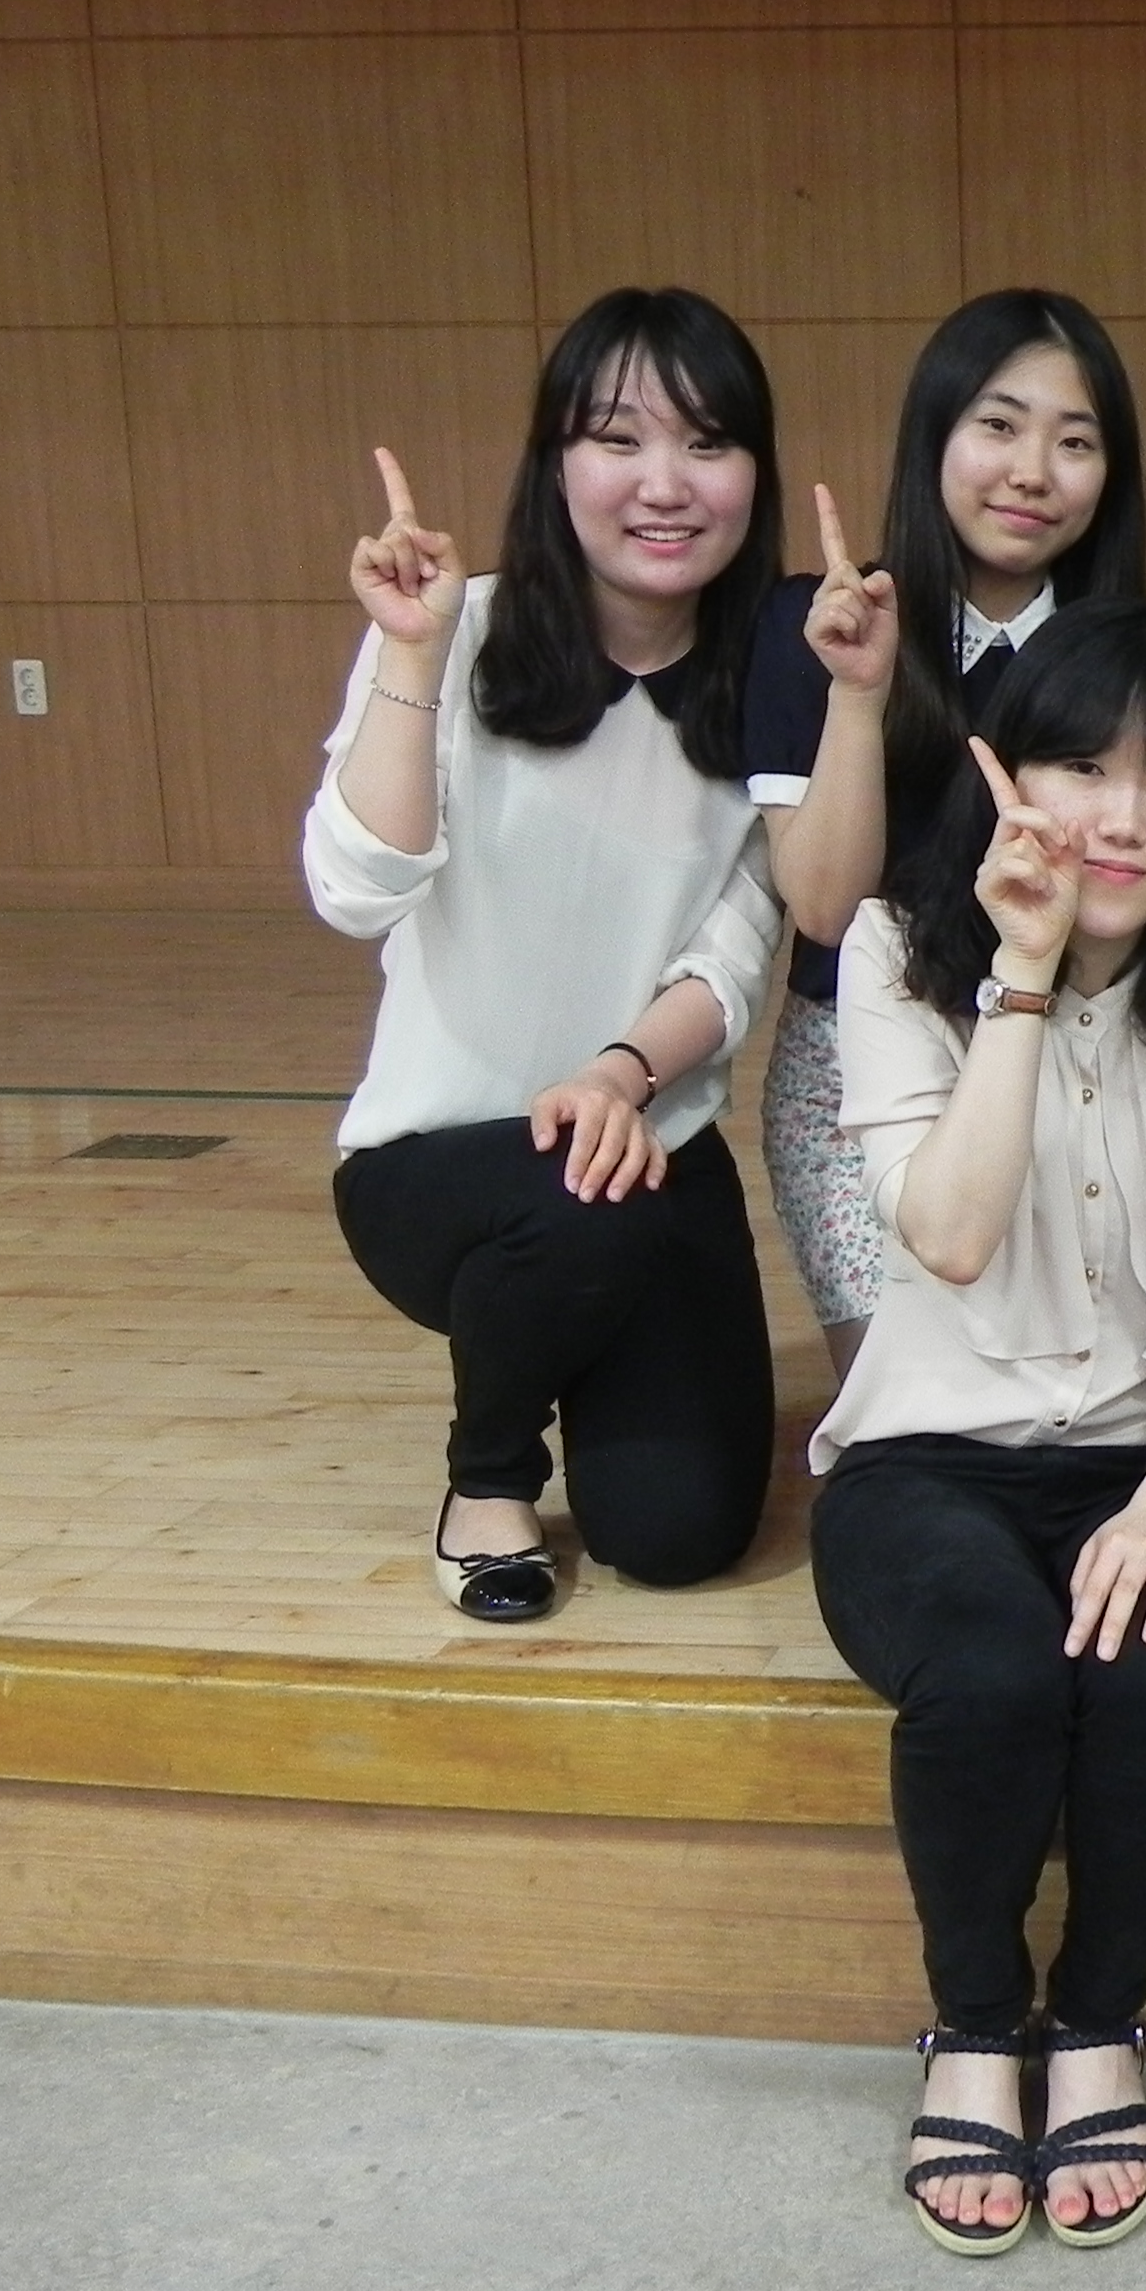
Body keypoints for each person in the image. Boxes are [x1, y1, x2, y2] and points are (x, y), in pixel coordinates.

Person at [807, 598, 1146, 2257]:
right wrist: (1020, 976)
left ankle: (1096, 2019)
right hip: (923, 1457)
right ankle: (971, 2025)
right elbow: (945, 1236)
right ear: (1004, 770)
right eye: (1080, 765)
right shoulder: (897, 952)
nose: (1120, 817)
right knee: (993, 1671)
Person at [307, 289, 786, 1620]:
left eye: (707, 443)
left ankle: (576, 1329)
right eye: (618, 440)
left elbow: (737, 948)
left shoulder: (768, 672)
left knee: (678, 1535)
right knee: (576, 1200)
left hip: (645, 1146)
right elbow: (355, 889)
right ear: (556, 464)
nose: (664, 484)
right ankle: (489, 1477)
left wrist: (619, 1075)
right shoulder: (456, 630)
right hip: (437, 1169)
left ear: (754, 471)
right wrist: (411, 656)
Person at [744, 290, 1146, 1379]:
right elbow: (824, 909)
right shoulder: (815, 624)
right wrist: (859, 694)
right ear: (934, 435)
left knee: (1071, 1409)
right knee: (916, 1407)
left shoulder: (1128, 660)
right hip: (857, 1076)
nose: (1031, 471)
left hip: (1074, 1063)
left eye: (1075, 442)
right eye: (998, 426)